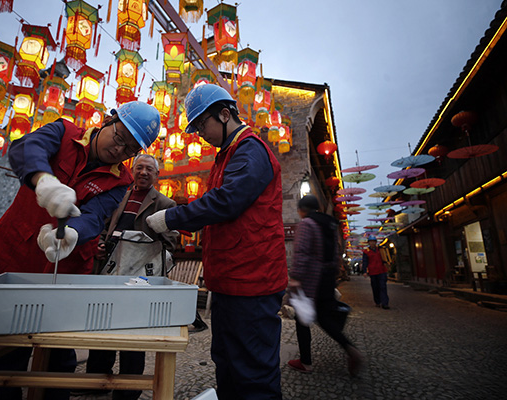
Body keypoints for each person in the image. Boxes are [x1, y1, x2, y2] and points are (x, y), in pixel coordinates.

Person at [0, 101, 160, 400]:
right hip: (20, 254)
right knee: (6, 348)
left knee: (59, 353)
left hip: (65, 265)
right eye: (118, 138)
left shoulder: (121, 180)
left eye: (129, 149)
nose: (119, 151)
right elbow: (26, 147)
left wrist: (73, 233)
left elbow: (96, 213)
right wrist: (44, 182)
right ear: (107, 120)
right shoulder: (63, 132)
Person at [146, 84, 288, 400]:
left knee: (253, 373)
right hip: (230, 280)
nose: (199, 134)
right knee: (227, 362)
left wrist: (171, 218)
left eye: (201, 125)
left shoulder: (250, 149)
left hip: (252, 282)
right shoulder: (228, 154)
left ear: (225, 114)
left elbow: (226, 202)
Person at [84, 153, 178, 400]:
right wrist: (101, 244)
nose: (143, 172)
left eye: (149, 169)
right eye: (139, 168)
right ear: (132, 171)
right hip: (110, 273)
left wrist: (143, 246)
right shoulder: (119, 195)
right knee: (102, 325)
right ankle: (96, 379)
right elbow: (106, 227)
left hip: (140, 281)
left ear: (157, 175)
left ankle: (128, 389)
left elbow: (170, 243)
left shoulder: (165, 204)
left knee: (134, 332)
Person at [287, 195, 364, 377]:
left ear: (302, 209)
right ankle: (350, 348)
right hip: (327, 278)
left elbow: (302, 252)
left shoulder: (307, 224)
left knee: (301, 319)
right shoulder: (328, 225)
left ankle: (305, 362)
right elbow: (336, 253)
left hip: (311, 280)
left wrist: (296, 278)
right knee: (324, 318)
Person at [363, 235, 390, 309]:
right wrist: (364, 271)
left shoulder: (380, 250)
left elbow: (385, 258)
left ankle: (385, 303)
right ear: (369, 243)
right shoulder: (366, 252)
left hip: (382, 271)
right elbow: (365, 261)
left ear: (375, 242)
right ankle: (377, 301)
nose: (372, 243)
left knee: (383, 287)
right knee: (375, 287)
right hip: (373, 272)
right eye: (371, 242)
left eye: (373, 242)